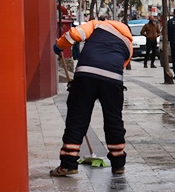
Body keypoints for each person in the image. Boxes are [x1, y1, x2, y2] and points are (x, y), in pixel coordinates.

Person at [50, 18, 134, 176]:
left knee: (77, 118)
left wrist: (59, 46)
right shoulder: (128, 45)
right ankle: (118, 164)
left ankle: (68, 164)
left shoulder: (98, 25)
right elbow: (118, 66)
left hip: (86, 75)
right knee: (113, 120)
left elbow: (74, 34)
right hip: (113, 80)